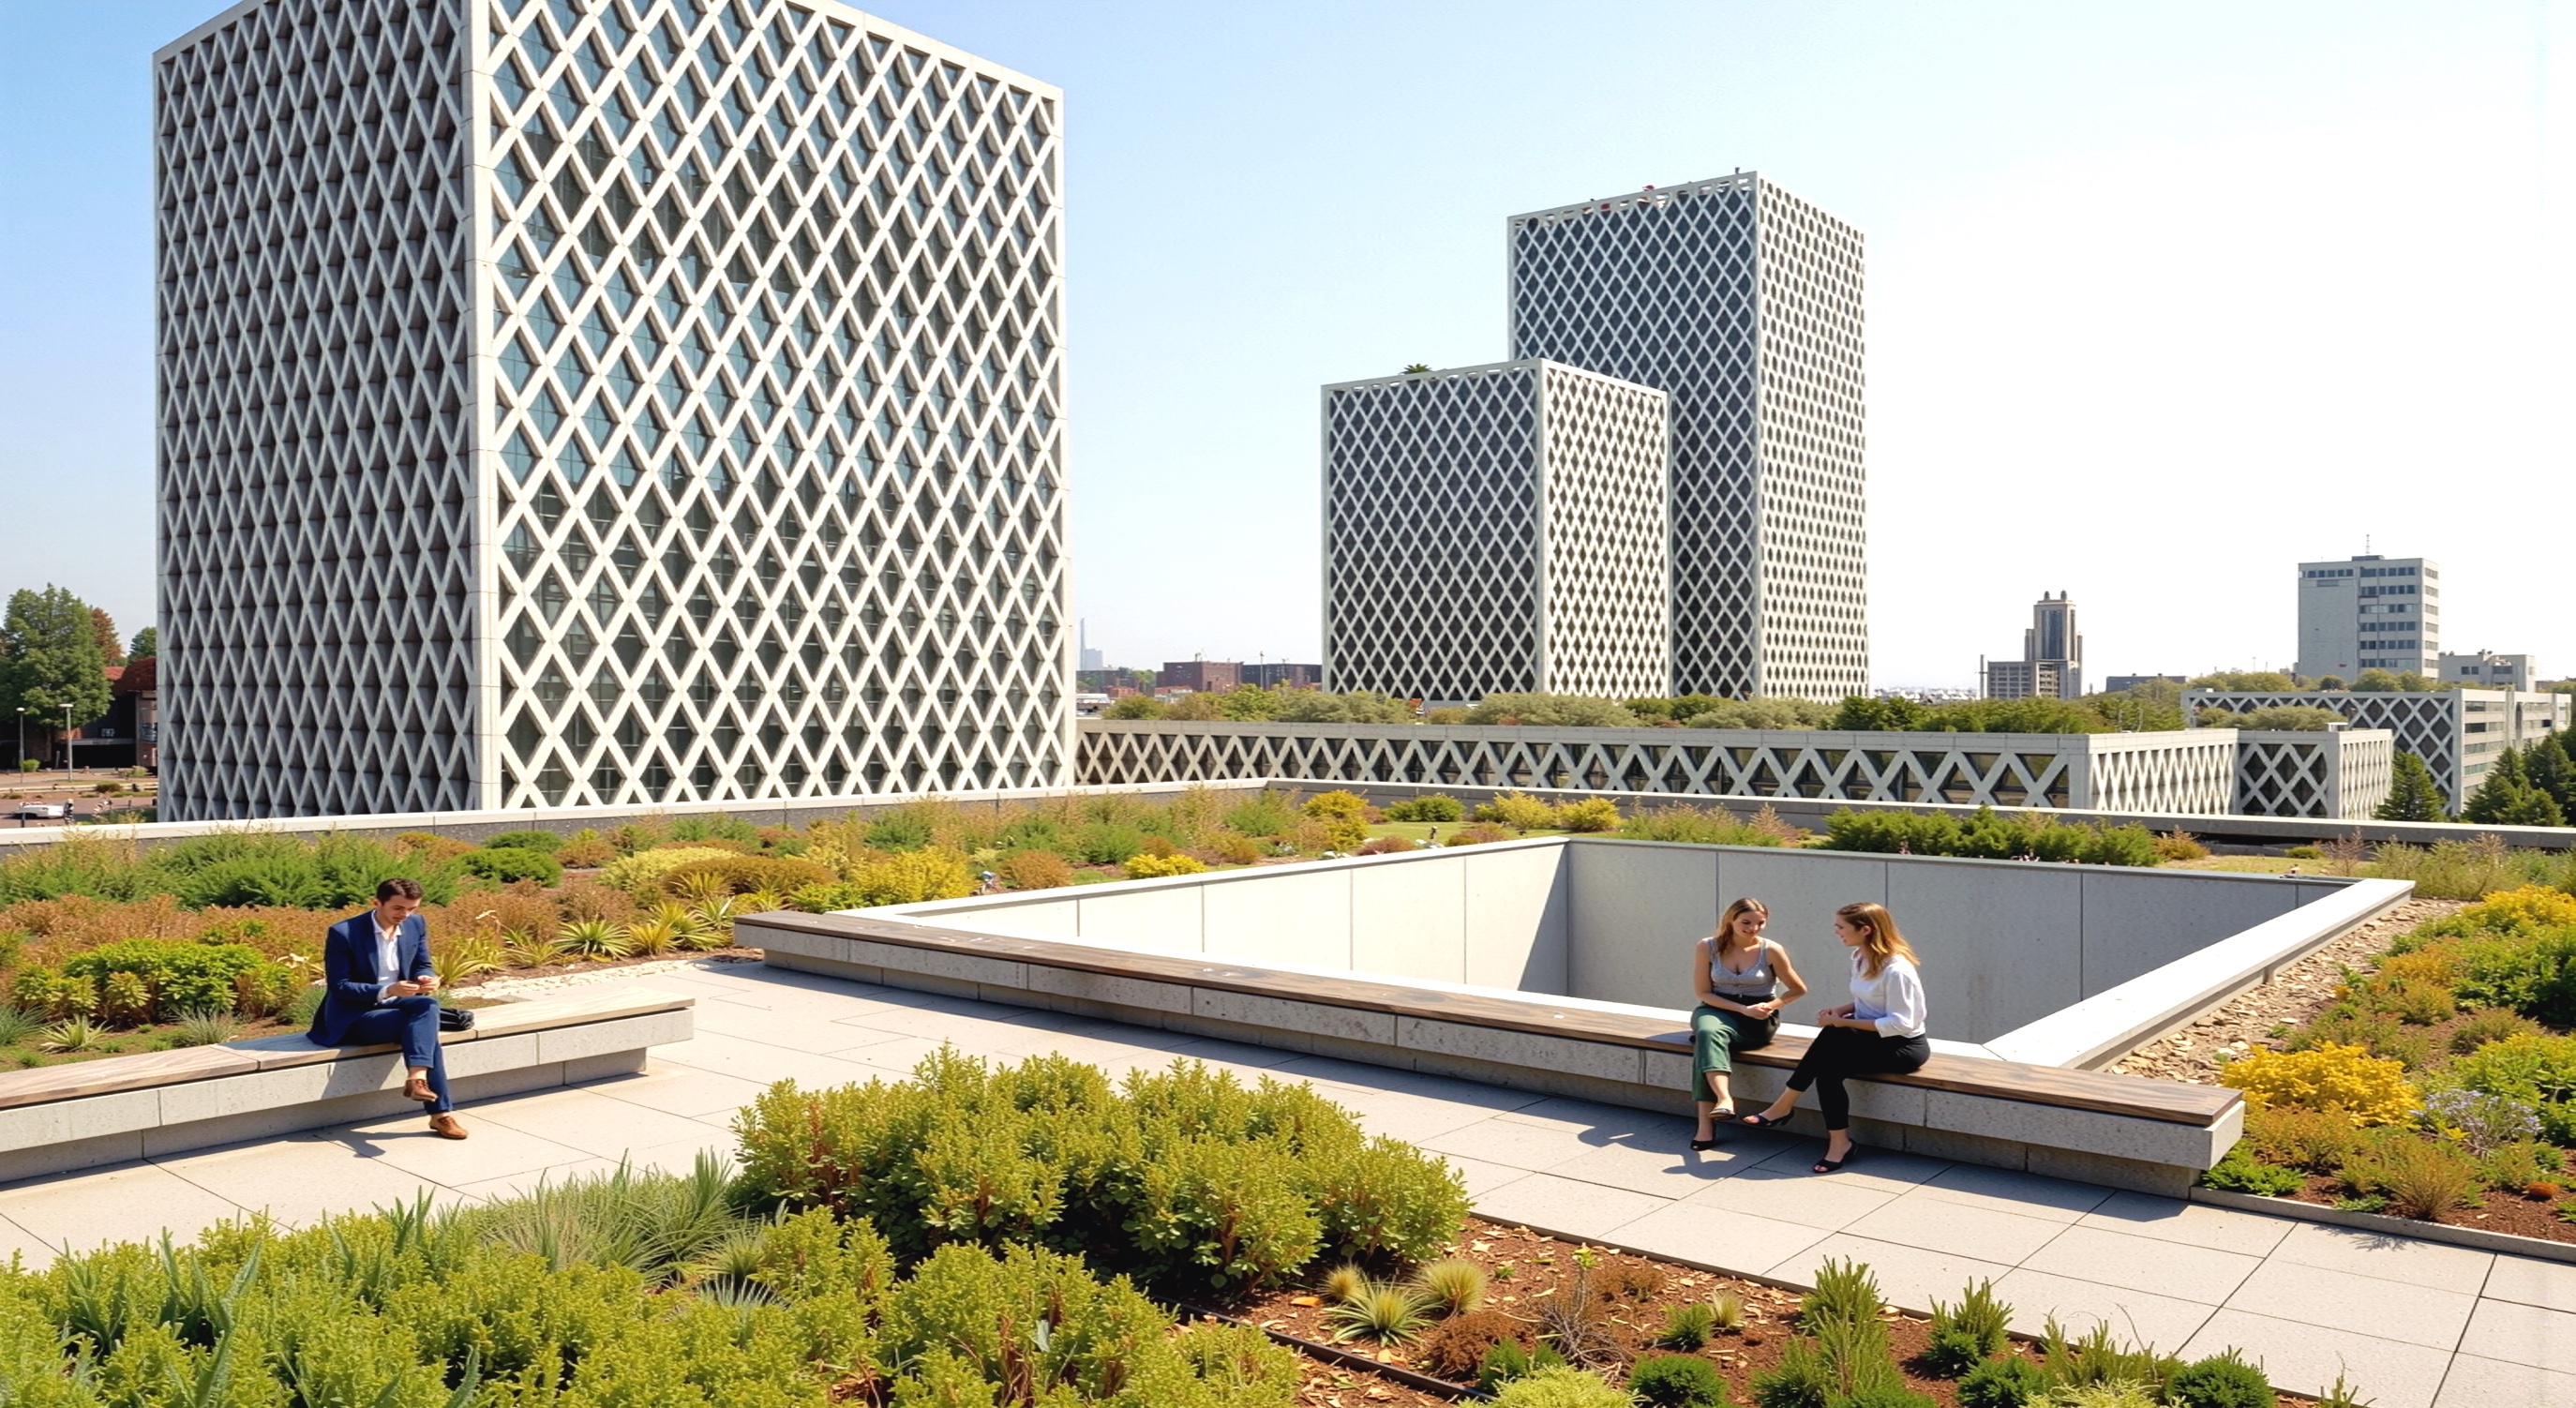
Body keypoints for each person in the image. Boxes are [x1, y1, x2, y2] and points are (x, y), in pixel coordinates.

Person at [1739, 901, 1926, 1173]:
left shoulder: (1897, 970)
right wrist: (1842, 1010)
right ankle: (1840, 1144)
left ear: (1865, 929)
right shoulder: (1860, 956)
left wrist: (1839, 1021)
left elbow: (1902, 1022)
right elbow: (1867, 1001)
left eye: (1841, 927)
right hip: (1872, 1039)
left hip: (1902, 1046)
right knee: (1828, 1070)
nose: (1836, 932)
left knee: (1832, 1033)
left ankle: (1784, 1106)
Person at [309, 878, 469, 1139]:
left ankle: (418, 1079)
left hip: (401, 1005)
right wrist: (387, 991)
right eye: (398, 908)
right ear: (377, 903)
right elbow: (340, 987)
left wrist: (428, 978)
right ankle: (440, 1114)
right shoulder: (344, 933)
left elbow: (422, 963)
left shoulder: (416, 924)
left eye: (411, 909)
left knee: (427, 1006)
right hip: (358, 1016)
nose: (405, 915)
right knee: (425, 1030)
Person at [1687, 897, 1808, 1149]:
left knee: (1705, 1041)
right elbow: (1703, 993)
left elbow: (1797, 990)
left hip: (1759, 1018)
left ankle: (1706, 1123)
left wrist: (1769, 1007)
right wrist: (1742, 1009)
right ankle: (1722, 1104)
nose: (1753, 928)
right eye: (1746, 922)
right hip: (1717, 1008)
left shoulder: (1771, 950)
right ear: (1730, 920)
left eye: (1760, 923)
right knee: (1708, 1032)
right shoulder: (1707, 947)